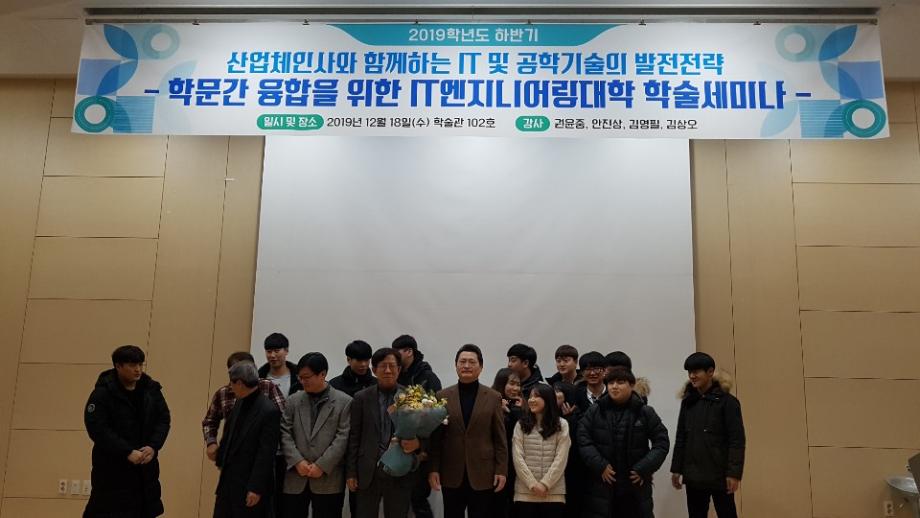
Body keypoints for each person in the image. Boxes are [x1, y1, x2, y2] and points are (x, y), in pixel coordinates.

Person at [84, 345, 171, 518]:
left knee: (144, 509)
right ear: (118, 366)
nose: (138, 369)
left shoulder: (151, 390)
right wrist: (126, 451)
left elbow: (163, 419)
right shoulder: (102, 393)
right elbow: (98, 428)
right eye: (132, 365)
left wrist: (153, 446)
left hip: (145, 467)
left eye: (140, 364)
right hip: (112, 467)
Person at [577, 367, 669, 518]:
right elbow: (583, 439)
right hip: (602, 485)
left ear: (632, 385)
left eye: (620, 382)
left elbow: (661, 443)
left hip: (635, 486)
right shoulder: (595, 410)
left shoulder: (645, 412)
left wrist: (644, 468)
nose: (614, 386)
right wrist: (600, 465)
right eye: (611, 382)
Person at [429, 344, 508, 518]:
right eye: (462, 361)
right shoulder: (442, 396)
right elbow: (436, 438)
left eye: (472, 362)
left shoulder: (493, 397)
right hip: (451, 470)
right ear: (456, 365)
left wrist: (501, 470)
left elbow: (499, 439)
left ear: (481, 366)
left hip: (483, 472)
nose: (466, 366)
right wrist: (433, 468)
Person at [346, 348, 426, 518]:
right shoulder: (361, 398)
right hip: (368, 470)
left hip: (400, 469)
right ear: (374, 370)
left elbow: (425, 433)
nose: (388, 370)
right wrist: (351, 472)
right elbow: (354, 437)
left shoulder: (412, 397)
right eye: (383, 366)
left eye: (392, 366)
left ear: (399, 369)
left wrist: (418, 444)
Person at [671, 353, 745, 518]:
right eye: (689, 372)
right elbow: (681, 437)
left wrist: (733, 474)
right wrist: (676, 469)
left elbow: (737, 440)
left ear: (710, 372)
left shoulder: (728, 402)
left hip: (720, 475)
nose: (692, 376)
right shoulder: (688, 402)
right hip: (693, 476)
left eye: (696, 371)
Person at [280, 353, 352, 518]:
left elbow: (343, 437)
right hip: (296, 476)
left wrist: (321, 465)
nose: (302, 381)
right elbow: (284, 432)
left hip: (328, 478)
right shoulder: (293, 400)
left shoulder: (344, 402)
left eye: (307, 377)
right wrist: (297, 461)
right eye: (300, 377)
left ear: (322, 374)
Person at [213, 362, 282, 518]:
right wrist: (220, 458)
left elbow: (266, 454)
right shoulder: (240, 401)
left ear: (239, 383)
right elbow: (229, 434)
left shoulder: (269, 411)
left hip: (250, 485)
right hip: (229, 481)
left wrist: (255, 488)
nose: (230, 387)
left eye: (231, 383)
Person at [392, 334, 442, 518]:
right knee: (398, 500)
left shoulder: (428, 377)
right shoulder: (395, 376)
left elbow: (437, 415)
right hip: (396, 448)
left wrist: (423, 446)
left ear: (409, 351)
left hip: (420, 451)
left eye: (397, 352)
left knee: (418, 499)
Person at [328, 340, 375, 516]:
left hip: (363, 452)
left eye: (367, 360)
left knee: (360, 505)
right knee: (332, 503)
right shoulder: (334, 385)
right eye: (358, 360)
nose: (363, 364)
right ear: (348, 360)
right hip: (337, 451)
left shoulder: (376, 385)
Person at [512, 383, 570, 518]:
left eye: (536, 396)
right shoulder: (521, 425)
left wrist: (545, 484)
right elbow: (517, 457)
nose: (531, 400)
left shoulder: (562, 424)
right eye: (530, 397)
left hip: (553, 493)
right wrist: (532, 484)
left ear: (548, 399)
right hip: (525, 493)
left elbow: (561, 458)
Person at [491, 368, 524, 518]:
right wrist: (501, 413)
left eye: (518, 384)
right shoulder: (491, 403)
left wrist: (515, 411)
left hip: (517, 465)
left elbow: (522, 433)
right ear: (501, 383)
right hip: (495, 465)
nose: (516, 388)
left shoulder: (522, 405)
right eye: (512, 383)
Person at [553, 382, 585, 518]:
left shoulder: (579, 416)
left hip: (573, 471)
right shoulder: (550, 415)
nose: (553, 395)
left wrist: (570, 420)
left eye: (557, 392)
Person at [258, 332, 303, 396]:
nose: (272, 355)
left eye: (276, 351)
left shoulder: (299, 376)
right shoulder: (259, 376)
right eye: (269, 352)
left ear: (286, 351)